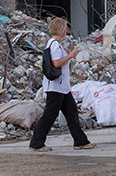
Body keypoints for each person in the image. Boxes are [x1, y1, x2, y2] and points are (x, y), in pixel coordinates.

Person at [29, 17, 95, 152]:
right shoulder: (54, 44)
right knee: (50, 115)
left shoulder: (55, 44)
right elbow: (57, 63)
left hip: (62, 87)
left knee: (72, 113)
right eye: (65, 27)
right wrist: (71, 55)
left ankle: (80, 141)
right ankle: (36, 143)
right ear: (60, 29)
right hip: (56, 87)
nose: (66, 30)